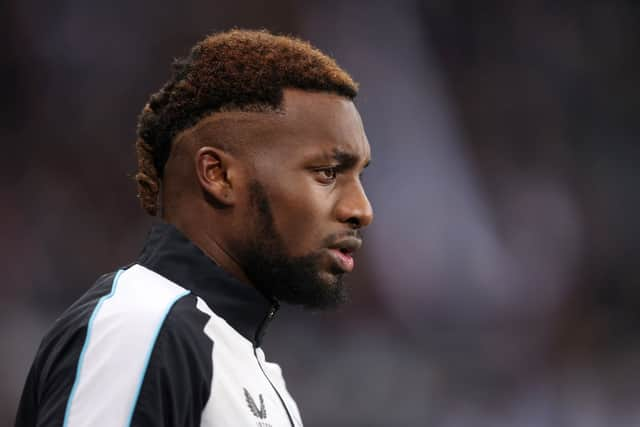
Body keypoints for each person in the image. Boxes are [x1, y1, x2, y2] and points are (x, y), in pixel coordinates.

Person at [15, 29, 373, 427]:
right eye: (326, 173)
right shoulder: (140, 329)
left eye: (360, 177)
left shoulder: (255, 374)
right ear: (218, 175)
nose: (362, 209)